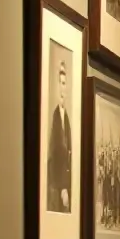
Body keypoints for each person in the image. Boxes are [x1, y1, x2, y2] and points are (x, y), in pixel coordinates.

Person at [47, 56, 72, 213]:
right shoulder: (55, 119)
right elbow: (53, 157)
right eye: (60, 83)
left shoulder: (67, 119)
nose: (63, 89)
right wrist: (62, 188)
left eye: (65, 84)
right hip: (57, 191)